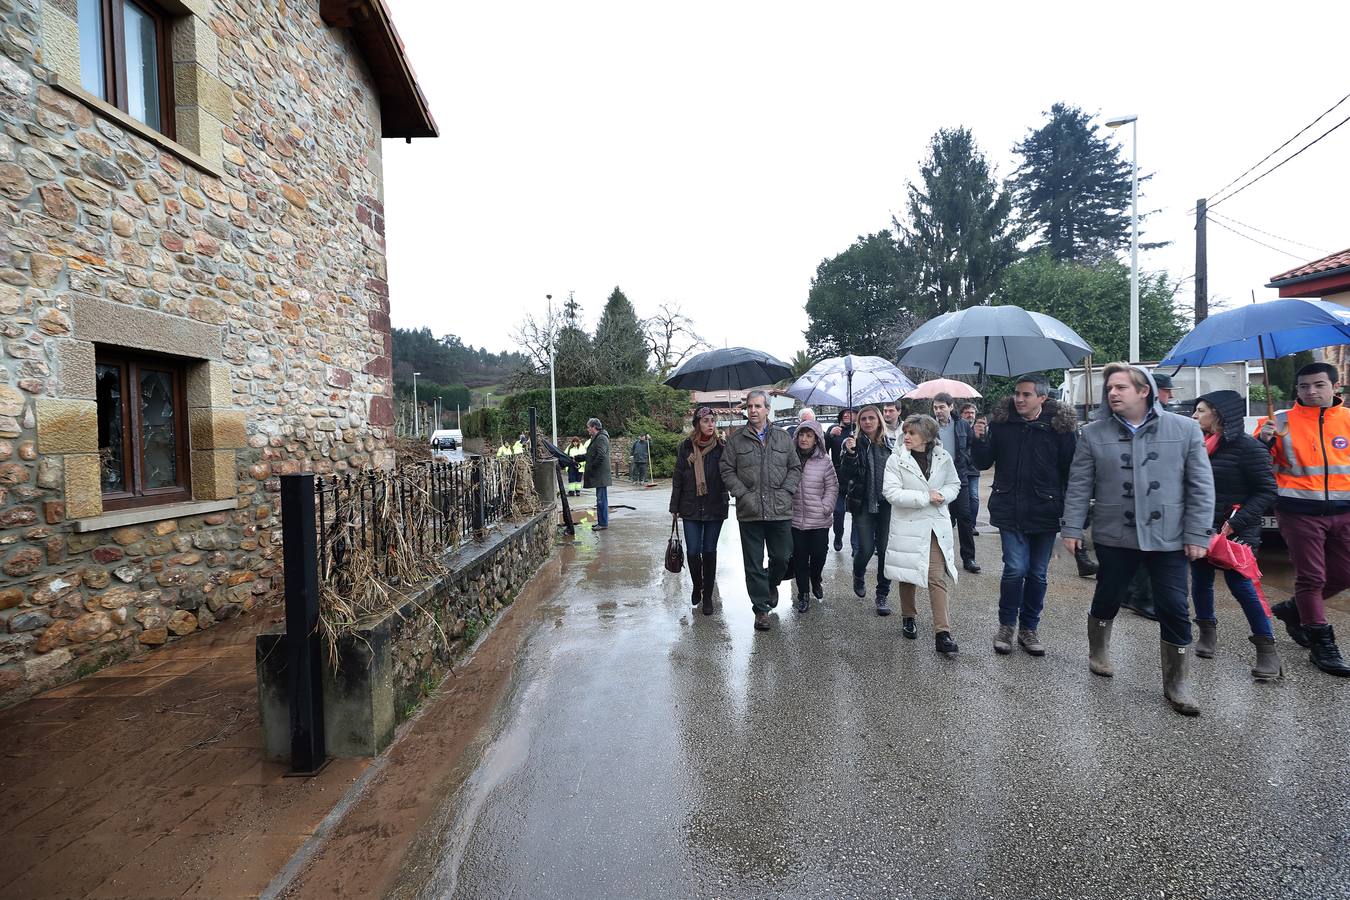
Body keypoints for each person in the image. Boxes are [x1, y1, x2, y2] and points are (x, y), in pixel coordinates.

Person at [1061, 363, 1215, 716]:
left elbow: (1201, 487)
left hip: (1170, 537)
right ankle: (1098, 650)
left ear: (1144, 390)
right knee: (1108, 596)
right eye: (1109, 388)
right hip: (1116, 534)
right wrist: (1071, 527)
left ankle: (1177, 683)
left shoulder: (1186, 429)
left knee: (1175, 606)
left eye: (1120, 387)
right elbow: (1080, 485)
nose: (1112, 393)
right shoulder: (1093, 433)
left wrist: (1197, 533)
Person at [1256, 362, 1350, 676]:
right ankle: (1321, 643)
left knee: (1344, 574)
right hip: (1298, 512)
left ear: (1335, 387)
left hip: (1344, 513)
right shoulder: (1277, 421)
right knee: (1312, 578)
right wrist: (1264, 442)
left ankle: (1292, 609)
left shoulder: (1349, 420)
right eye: (1304, 386)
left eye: (1319, 385)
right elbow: (1257, 464)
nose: (1311, 391)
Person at [972, 374, 1077, 656]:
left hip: (1046, 509)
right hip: (1009, 507)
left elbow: (1070, 471)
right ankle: (1006, 625)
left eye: (1026, 395)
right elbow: (983, 461)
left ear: (1042, 398)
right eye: (1017, 393)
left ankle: (1029, 629)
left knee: (1037, 573)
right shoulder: (1002, 424)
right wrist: (978, 439)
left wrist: (1072, 514)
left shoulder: (1061, 429)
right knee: (1016, 568)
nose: (1019, 399)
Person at [1190, 390, 1281, 679]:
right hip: (1202, 527)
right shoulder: (1198, 445)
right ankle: (1206, 632)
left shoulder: (1248, 448)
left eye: (1201, 410)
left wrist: (1236, 522)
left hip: (1237, 531)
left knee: (1243, 588)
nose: (1195, 415)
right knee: (1201, 582)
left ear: (1219, 414)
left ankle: (1267, 650)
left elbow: (1267, 490)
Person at [720, 390, 802, 631]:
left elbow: (795, 468)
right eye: (750, 406)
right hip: (750, 512)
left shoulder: (783, 438)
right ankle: (761, 610)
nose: (753, 410)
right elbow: (726, 469)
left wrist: (786, 491)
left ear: (767, 408)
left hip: (780, 510)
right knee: (753, 563)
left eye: (758, 406)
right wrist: (742, 494)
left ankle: (771, 582)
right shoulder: (736, 440)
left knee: (782, 557)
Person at [882, 414, 963, 655]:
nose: (906, 436)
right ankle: (908, 615)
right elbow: (891, 493)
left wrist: (943, 495)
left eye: (912, 433)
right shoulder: (896, 460)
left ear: (927, 436)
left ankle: (943, 633)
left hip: (935, 525)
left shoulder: (943, 457)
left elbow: (954, 484)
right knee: (908, 574)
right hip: (908, 525)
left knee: (936, 576)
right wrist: (925, 497)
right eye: (905, 432)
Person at [669, 407, 730, 616]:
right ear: (697, 424)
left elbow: (730, 473)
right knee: (694, 551)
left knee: (709, 550)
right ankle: (697, 585)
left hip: (714, 506)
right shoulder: (685, 447)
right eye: (706, 421)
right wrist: (674, 507)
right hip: (690, 506)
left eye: (713, 420)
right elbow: (678, 478)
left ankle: (708, 596)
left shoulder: (722, 448)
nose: (710, 424)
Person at [840, 406, 894, 615]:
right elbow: (846, 475)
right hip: (863, 503)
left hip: (887, 503)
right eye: (864, 419)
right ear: (859, 423)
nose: (868, 422)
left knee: (885, 550)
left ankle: (882, 594)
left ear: (879, 421)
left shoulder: (890, 444)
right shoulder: (853, 444)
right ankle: (858, 572)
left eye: (872, 418)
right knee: (866, 548)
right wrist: (851, 454)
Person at [789, 419, 838, 613]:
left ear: (816, 439)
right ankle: (803, 594)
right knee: (800, 558)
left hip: (819, 518)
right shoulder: (790, 458)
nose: (804, 439)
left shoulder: (824, 460)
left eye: (809, 436)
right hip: (796, 519)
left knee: (818, 554)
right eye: (801, 434)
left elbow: (832, 487)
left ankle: (816, 578)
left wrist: (825, 507)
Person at [931, 393, 980, 573]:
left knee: (965, 518)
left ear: (951, 407)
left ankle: (969, 558)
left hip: (959, 477)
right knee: (943, 520)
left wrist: (965, 461)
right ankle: (943, 557)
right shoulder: (930, 427)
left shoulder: (962, 425)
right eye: (935, 407)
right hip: (937, 479)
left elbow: (970, 446)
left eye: (942, 407)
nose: (938, 411)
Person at [827, 408, 859, 554]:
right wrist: (830, 436)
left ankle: (855, 545)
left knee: (856, 513)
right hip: (837, 477)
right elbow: (823, 449)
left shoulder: (860, 431)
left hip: (855, 478)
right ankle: (838, 536)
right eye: (844, 413)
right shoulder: (834, 429)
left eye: (851, 412)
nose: (846, 415)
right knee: (838, 511)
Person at [583, 418, 612, 530]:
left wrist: (592, 467)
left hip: (600, 475)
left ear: (594, 427)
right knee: (600, 499)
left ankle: (603, 523)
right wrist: (577, 458)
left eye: (589, 427)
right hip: (600, 475)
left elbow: (601, 455)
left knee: (601, 500)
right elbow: (591, 455)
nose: (588, 429)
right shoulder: (597, 438)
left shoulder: (601, 438)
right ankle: (601, 522)